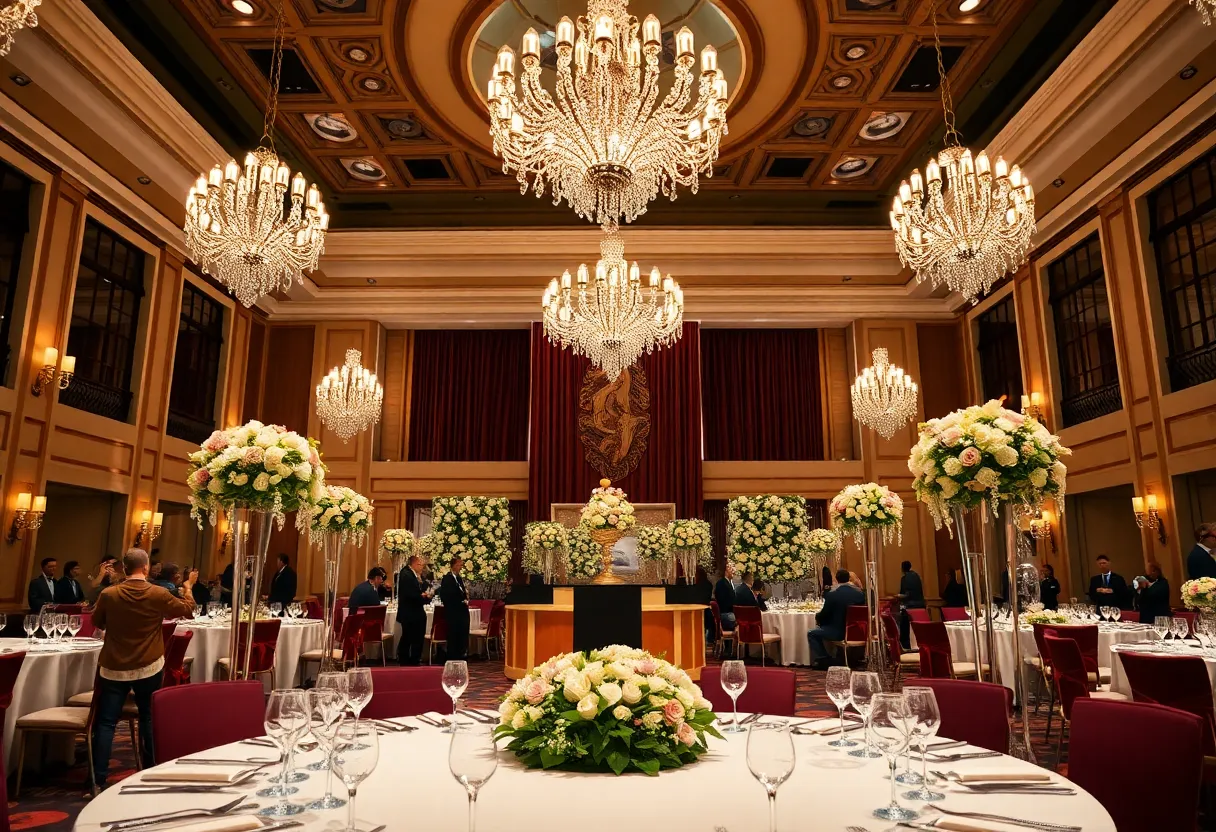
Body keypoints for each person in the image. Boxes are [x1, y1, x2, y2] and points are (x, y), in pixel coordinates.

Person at [91, 548, 196, 789]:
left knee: (106, 722)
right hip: (149, 664)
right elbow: (187, 610)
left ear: (125, 569)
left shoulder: (109, 594)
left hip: (114, 665)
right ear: (146, 568)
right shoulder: (158, 593)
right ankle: (150, 770)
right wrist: (188, 588)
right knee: (148, 717)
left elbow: (97, 623)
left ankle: (97, 779)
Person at [807, 569, 866, 670]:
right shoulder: (859, 594)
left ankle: (824, 659)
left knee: (812, 633)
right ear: (848, 578)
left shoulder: (832, 594)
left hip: (838, 632)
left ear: (837, 579)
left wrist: (818, 618)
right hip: (856, 631)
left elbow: (824, 614)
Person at [396, 554, 432, 666]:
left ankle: (409, 659)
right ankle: (409, 659)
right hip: (411, 612)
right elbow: (411, 594)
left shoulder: (412, 574)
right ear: (414, 564)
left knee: (410, 636)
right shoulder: (407, 574)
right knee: (411, 636)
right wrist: (424, 597)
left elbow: (419, 589)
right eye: (420, 565)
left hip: (413, 611)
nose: (422, 567)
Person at [440, 555, 470, 661]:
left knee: (462, 633)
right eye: (459, 565)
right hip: (453, 612)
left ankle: (461, 653)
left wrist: (465, 598)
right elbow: (446, 595)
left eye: (461, 565)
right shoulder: (447, 579)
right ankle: (453, 656)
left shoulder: (458, 578)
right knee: (453, 634)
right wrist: (459, 601)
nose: (460, 567)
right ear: (453, 565)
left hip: (461, 612)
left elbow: (462, 592)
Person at [896, 560, 925, 650]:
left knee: (904, 625)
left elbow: (906, 595)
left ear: (902, 568)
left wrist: (898, 596)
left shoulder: (904, 579)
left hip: (908, 606)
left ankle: (906, 645)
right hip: (920, 606)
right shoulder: (917, 577)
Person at [713, 563, 737, 632]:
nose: (734, 571)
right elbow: (723, 603)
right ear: (726, 571)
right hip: (725, 615)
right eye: (731, 569)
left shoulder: (730, 583)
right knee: (744, 620)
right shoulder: (721, 583)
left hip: (731, 613)